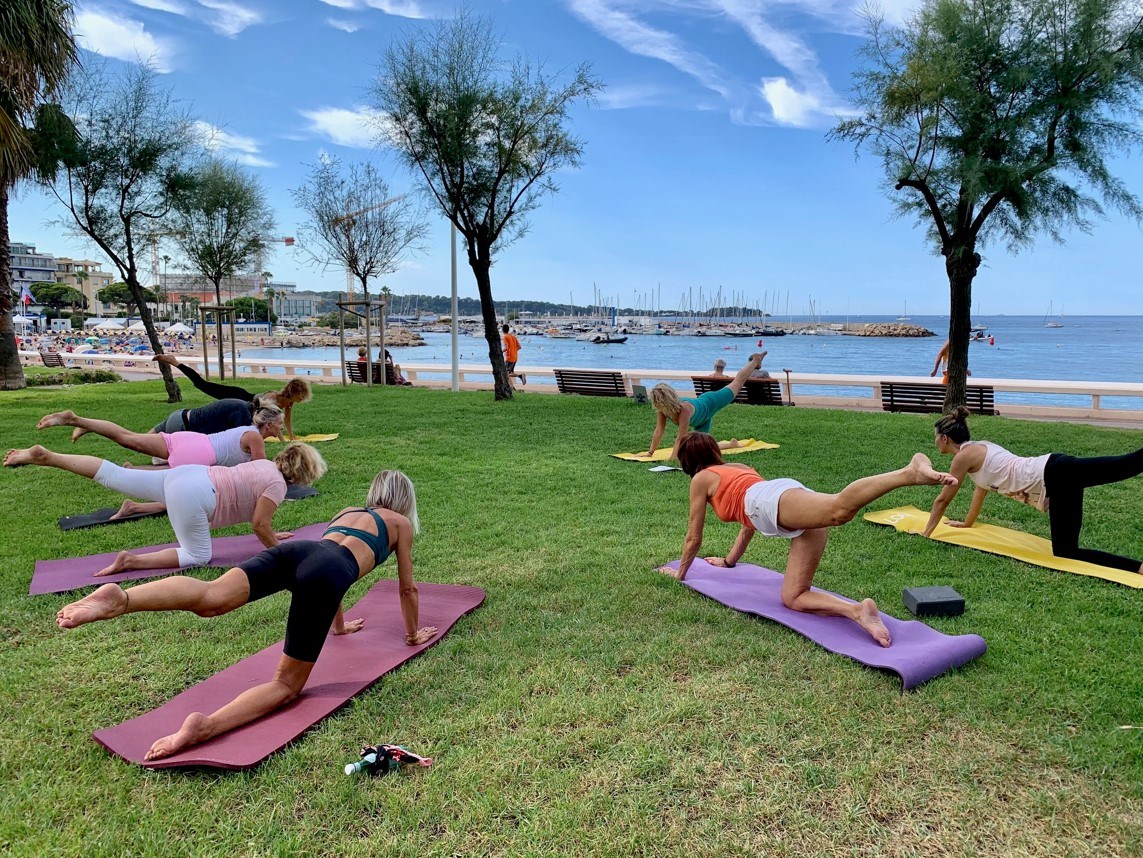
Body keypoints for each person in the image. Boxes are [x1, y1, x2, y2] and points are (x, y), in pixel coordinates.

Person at [54, 470, 438, 761]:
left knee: (211, 597)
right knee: (286, 687)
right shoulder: (400, 524)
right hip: (328, 573)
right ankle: (207, 727)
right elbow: (406, 587)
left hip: (297, 553)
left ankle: (122, 599)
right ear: (405, 499)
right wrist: (412, 634)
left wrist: (338, 625)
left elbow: (329, 559)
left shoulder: (349, 510)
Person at [658, 433, 959, 646]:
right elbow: (746, 525)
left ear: (688, 461)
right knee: (794, 597)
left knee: (839, 510)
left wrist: (681, 574)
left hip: (767, 501)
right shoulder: (738, 468)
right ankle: (858, 611)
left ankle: (909, 472)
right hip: (773, 502)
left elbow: (693, 536)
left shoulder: (700, 479)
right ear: (713, 450)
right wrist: (728, 561)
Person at [3, 442, 327, 576]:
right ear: (303, 472)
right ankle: (130, 561)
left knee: (116, 475)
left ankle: (49, 456)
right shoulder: (278, 485)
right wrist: (281, 555)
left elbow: (260, 520)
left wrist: (272, 531)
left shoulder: (262, 464)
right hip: (195, 493)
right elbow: (259, 525)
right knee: (199, 556)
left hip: (189, 476)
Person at [922, 407, 1143, 573]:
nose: (935, 442)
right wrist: (968, 523)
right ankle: (1139, 568)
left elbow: (943, 500)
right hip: (1055, 476)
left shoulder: (963, 457)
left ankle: (1137, 568)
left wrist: (925, 534)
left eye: (935, 437)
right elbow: (981, 488)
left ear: (944, 438)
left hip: (1055, 473)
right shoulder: (978, 448)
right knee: (1066, 551)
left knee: (1124, 465)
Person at [35, 404, 285, 468]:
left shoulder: (246, 427)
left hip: (190, 440)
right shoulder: (253, 436)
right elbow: (259, 470)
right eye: (280, 425)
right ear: (270, 423)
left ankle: (80, 421)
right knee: (163, 486)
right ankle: (76, 421)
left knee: (128, 438)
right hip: (196, 449)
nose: (282, 429)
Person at [152, 354, 311, 440]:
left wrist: (291, 437)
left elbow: (286, 420)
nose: (302, 399)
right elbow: (269, 419)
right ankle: (174, 362)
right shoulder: (273, 397)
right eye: (301, 395)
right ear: (295, 392)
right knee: (202, 384)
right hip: (237, 397)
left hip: (237, 412)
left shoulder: (289, 403)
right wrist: (282, 440)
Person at [647, 352, 766, 460]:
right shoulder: (663, 409)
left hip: (710, 403)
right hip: (702, 420)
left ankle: (755, 360)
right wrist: (650, 452)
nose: (658, 406)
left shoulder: (685, 409)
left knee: (737, 384)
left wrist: (673, 458)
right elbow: (659, 431)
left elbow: (681, 436)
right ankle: (731, 444)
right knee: (702, 449)